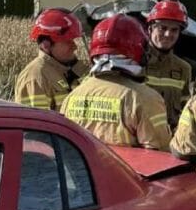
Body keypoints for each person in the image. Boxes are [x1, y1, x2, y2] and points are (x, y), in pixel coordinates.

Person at [62, 14, 171, 151]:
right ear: (139, 50)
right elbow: (161, 157)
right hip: (129, 172)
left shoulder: (71, 97)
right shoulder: (147, 99)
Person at [13, 8, 86, 111]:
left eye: (73, 40)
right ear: (46, 45)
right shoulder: (36, 78)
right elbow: (37, 124)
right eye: (67, 41)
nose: (74, 47)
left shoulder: (74, 69)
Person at [144, 0, 193, 130]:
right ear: (150, 29)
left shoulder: (183, 69)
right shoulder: (135, 63)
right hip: (137, 144)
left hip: (168, 145)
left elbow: (186, 112)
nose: (168, 34)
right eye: (163, 28)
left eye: (174, 30)